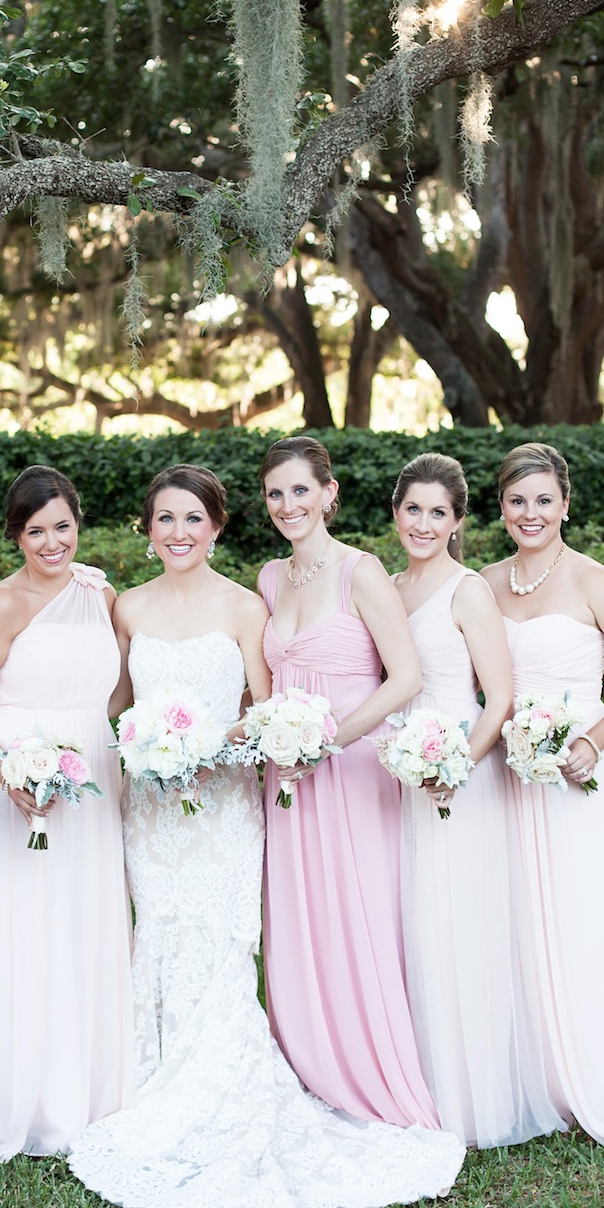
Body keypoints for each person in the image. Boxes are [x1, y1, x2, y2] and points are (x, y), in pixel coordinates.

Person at [68, 465, 464, 1208]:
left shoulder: (249, 603)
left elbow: (261, 704)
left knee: (220, 941)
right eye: (164, 519)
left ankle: (226, 1082)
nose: (179, 531)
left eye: (193, 518)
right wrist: (133, 744)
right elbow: (115, 703)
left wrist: (222, 744)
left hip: (224, 804)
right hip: (151, 811)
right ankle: (152, 1080)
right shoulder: (128, 607)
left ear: (216, 526)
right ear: (146, 532)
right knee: (160, 934)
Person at [0, 466, 134, 1159]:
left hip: (89, 776)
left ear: (79, 523)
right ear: (17, 535)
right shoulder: (1, 604)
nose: (52, 543)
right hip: (12, 778)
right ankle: (14, 1093)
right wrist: (11, 771)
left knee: (82, 921)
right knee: (19, 931)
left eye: (62, 527)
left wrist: (97, 742)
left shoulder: (99, 593)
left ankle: (86, 1090)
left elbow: (113, 691)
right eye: (35, 531)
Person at [257, 435, 438, 1129]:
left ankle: (372, 1069)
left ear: (329, 495)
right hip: (289, 775)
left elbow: (408, 678)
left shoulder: (362, 573)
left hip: (354, 767)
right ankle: (311, 1064)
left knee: (358, 915)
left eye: (300, 490)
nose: (287, 505)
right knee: (300, 917)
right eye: (275, 493)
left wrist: (329, 740)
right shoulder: (271, 579)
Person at [482, 441, 604, 1144]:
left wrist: (594, 738)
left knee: (588, 912)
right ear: (501, 508)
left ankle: (603, 1063)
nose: (531, 513)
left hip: (581, 771)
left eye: (543, 501)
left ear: (565, 504)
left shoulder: (591, 580)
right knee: (518, 915)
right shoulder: (484, 584)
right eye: (518, 501)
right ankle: (533, 1074)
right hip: (507, 771)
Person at [391, 452, 561, 1146]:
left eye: (439, 512)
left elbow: (500, 697)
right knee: (413, 923)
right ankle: (417, 1083)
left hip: (461, 771)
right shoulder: (388, 586)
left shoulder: (467, 592)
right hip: (401, 773)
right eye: (413, 509)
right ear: (395, 512)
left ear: (459, 521)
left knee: (461, 923)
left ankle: (473, 1095)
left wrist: (457, 763)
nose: (424, 523)